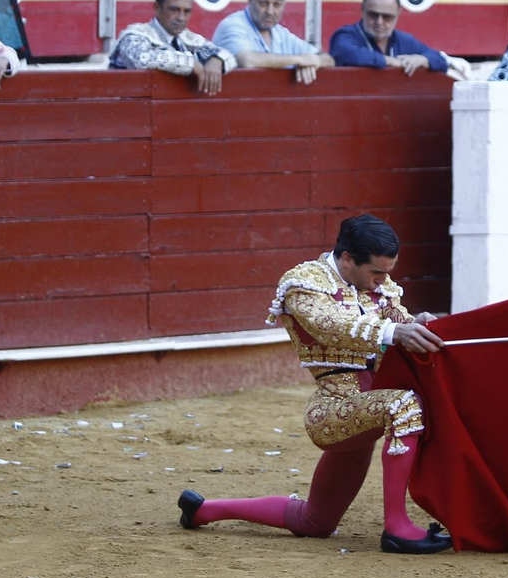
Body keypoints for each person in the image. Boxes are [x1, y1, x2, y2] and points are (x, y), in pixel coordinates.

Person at [177, 214, 451, 555]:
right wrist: (394, 332)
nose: (383, 281)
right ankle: (397, 528)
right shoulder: (304, 282)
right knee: (404, 404)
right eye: (377, 272)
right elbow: (329, 325)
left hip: (367, 405)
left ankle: (203, 510)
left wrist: (416, 323)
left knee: (315, 522)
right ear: (348, 259)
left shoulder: (378, 286)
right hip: (335, 409)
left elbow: (398, 321)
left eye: (387, 272)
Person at [110, 0, 236, 94]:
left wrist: (217, 60)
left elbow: (230, 57)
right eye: (174, 10)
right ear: (157, 8)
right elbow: (142, 59)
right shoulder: (135, 35)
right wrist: (191, 63)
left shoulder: (189, 39)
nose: (181, 18)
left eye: (186, 11)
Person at [212, 0, 335, 83]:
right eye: (263, 3)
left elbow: (329, 60)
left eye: (277, 4)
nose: (270, 11)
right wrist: (299, 60)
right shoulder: (232, 25)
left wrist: (316, 61)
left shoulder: (281, 33)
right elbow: (248, 60)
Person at [327, 0, 449, 74]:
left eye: (387, 17)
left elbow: (440, 60)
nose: (379, 22)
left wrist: (424, 59)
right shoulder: (345, 35)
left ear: (398, 14)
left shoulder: (404, 40)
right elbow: (348, 54)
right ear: (362, 9)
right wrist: (389, 61)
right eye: (373, 15)